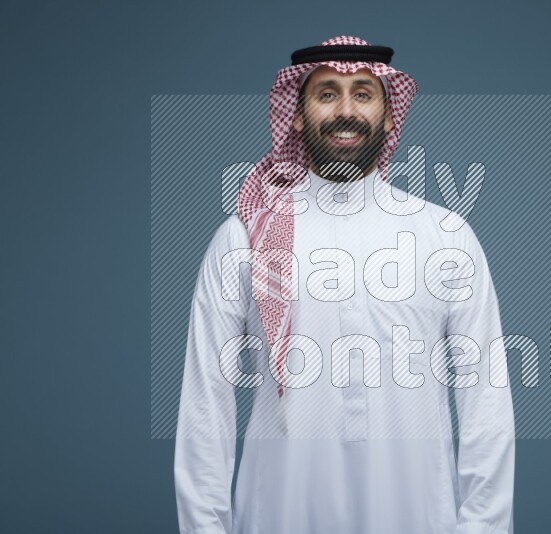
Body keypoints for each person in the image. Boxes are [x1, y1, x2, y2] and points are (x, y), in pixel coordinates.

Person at [174, 35, 515, 534]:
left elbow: (486, 401)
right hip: (280, 513)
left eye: (363, 93)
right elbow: (206, 402)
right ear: (296, 113)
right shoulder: (245, 236)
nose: (345, 110)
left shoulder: (444, 236)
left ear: (390, 114)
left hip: (419, 515)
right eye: (327, 93)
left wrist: (482, 528)